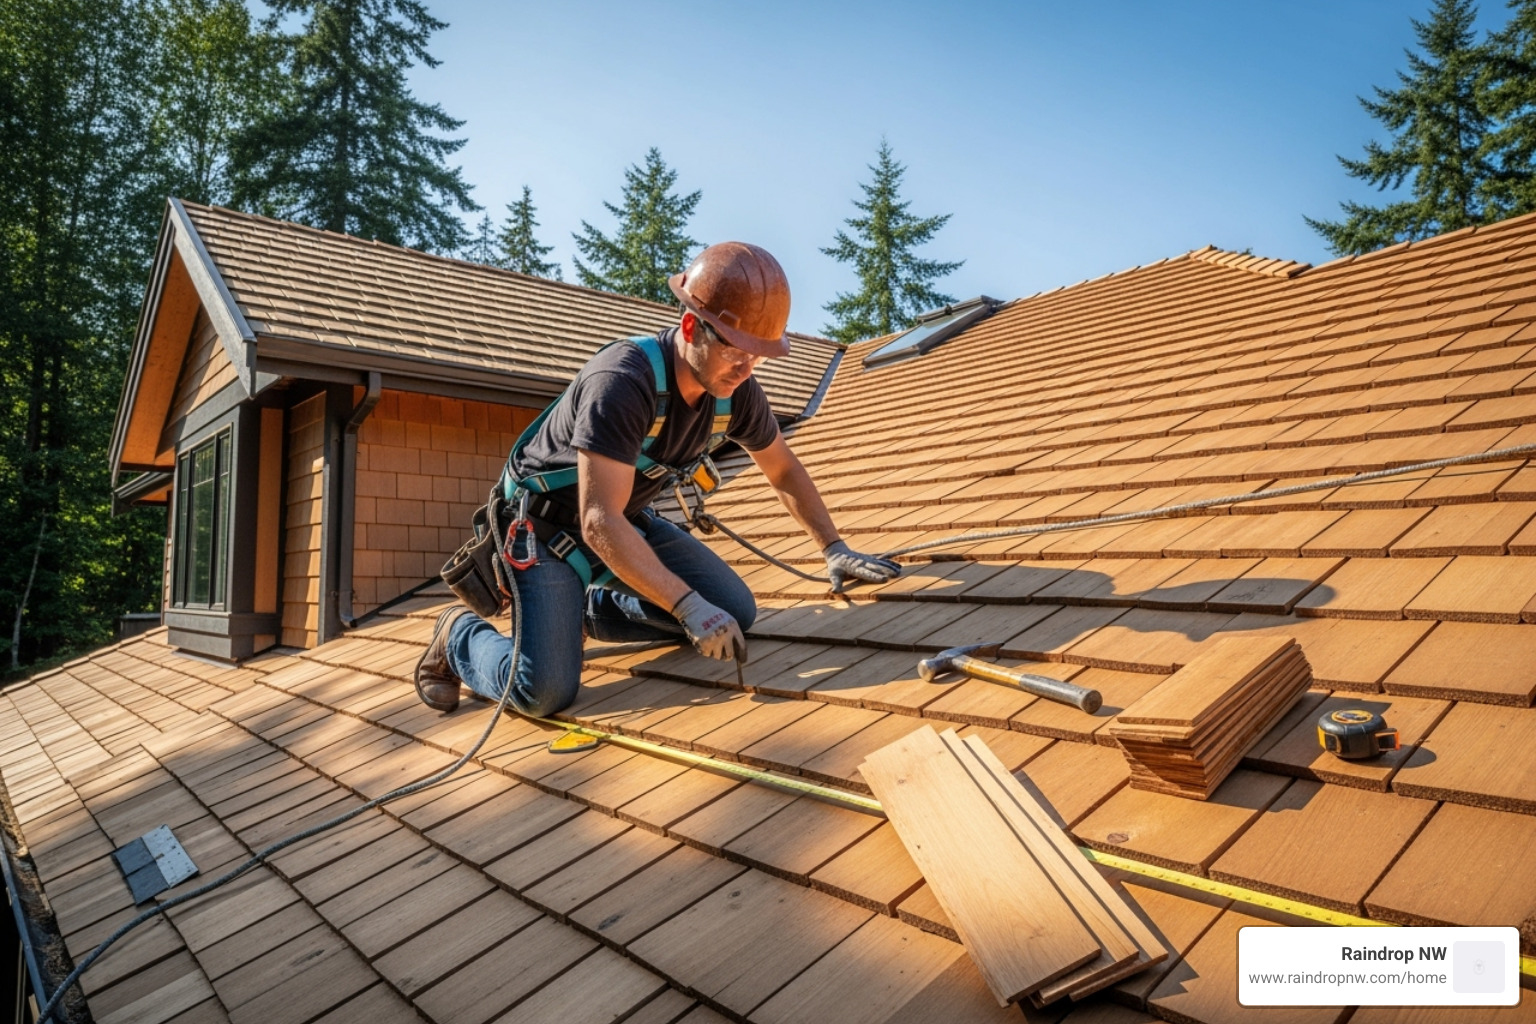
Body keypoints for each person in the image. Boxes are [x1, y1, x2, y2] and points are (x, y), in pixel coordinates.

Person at [413, 241, 901, 717]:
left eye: (758, 356)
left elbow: (783, 468)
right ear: (692, 325)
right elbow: (597, 521)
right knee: (543, 692)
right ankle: (458, 638)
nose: (747, 369)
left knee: (734, 612)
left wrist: (833, 547)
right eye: (736, 352)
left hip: (622, 527)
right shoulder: (622, 381)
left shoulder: (737, 390)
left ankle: (577, 613)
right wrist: (687, 606)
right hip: (544, 535)